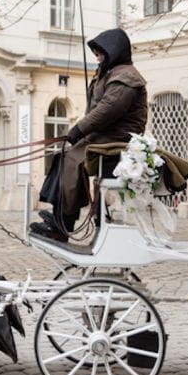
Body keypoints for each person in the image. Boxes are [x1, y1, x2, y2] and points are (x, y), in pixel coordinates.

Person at [31, 28, 148, 242]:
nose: (97, 55)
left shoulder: (126, 77)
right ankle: (60, 216)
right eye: (95, 52)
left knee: (73, 159)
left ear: (114, 50)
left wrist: (78, 130)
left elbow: (107, 110)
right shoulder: (110, 72)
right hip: (104, 135)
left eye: (101, 51)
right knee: (63, 156)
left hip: (118, 137)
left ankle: (64, 223)